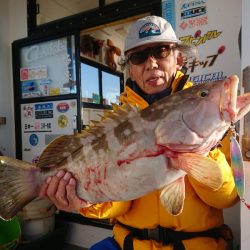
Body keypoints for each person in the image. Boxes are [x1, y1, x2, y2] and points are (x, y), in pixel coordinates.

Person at [39, 16, 238, 250]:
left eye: (161, 51)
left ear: (178, 58)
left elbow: (227, 198)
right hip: (128, 245)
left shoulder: (213, 118)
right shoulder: (117, 122)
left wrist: (203, 152)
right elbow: (118, 204)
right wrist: (82, 201)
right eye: (139, 56)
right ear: (130, 70)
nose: (151, 63)